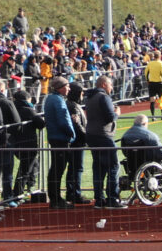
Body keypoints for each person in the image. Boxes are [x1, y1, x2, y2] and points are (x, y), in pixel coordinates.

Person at [83, 75, 121, 209]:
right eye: (110, 85)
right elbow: (110, 117)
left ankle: (99, 199)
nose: (111, 87)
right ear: (104, 84)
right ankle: (112, 199)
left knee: (98, 168)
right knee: (113, 166)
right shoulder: (103, 97)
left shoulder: (89, 97)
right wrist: (117, 113)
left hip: (92, 135)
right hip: (103, 136)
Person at [42, 75, 76, 208]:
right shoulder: (57, 100)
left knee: (56, 169)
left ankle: (55, 198)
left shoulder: (51, 98)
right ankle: (56, 199)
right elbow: (63, 120)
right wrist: (71, 133)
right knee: (58, 169)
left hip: (55, 137)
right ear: (60, 88)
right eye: (67, 86)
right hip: (60, 138)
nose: (69, 89)